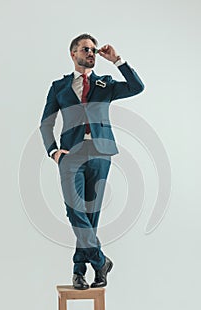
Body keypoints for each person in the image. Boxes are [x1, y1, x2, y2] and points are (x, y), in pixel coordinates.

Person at [39, 33, 144, 290]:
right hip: (70, 155)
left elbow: (136, 87)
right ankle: (100, 261)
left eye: (94, 50)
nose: (91, 53)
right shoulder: (59, 87)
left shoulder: (105, 84)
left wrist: (117, 60)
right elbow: (46, 123)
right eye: (86, 49)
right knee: (74, 211)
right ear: (73, 54)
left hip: (100, 154)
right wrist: (53, 151)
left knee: (90, 215)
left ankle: (80, 272)